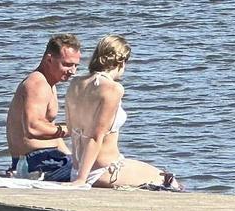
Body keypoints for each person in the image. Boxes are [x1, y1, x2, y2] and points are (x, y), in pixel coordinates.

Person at [65, 35, 180, 189]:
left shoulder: (76, 83)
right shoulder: (113, 89)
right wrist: (81, 180)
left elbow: (72, 128)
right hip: (104, 170)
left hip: (77, 168)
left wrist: (78, 174)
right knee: (169, 181)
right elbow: (96, 136)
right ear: (121, 61)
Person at [4, 34, 81, 180]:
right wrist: (72, 129)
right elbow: (33, 128)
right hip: (38, 162)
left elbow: (50, 132)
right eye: (67, 64)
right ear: (49, 59)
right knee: (102, 171)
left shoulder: (49, 84)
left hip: (45, 159)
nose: (73, 71)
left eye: (76, 65)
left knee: (90, 166)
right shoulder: (37, 84)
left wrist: (72, 157)